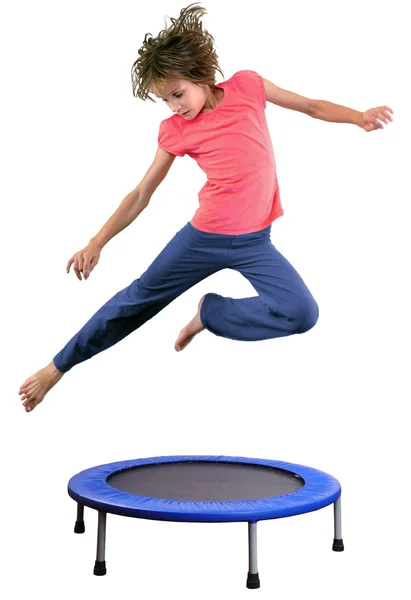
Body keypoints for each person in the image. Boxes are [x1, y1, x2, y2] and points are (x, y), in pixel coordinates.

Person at [18, 3, 393, 413]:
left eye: (178, 94)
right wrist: (97, 242)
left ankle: (211, 313)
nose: (174, 106)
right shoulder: (176, 131)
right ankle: (56, 368)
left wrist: (358, 117)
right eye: (165, 100)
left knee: (301, 313)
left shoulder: (248, 86)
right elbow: (142, 193)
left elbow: (311, 107)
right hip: (203, 239)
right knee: (135, 301)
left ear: (202, 75)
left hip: (255, 241)